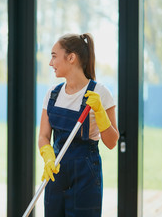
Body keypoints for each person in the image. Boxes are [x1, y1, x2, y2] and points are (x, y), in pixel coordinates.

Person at [38, 33, 119, 216]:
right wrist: (48, 155)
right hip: (56, 172)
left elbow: (112, 142)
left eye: (54, 56)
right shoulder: (53, 94)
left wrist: (100, 113)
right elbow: (43, 136)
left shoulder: (100, 93)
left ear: (71, 57)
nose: (51, 63)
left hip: (86, 177)